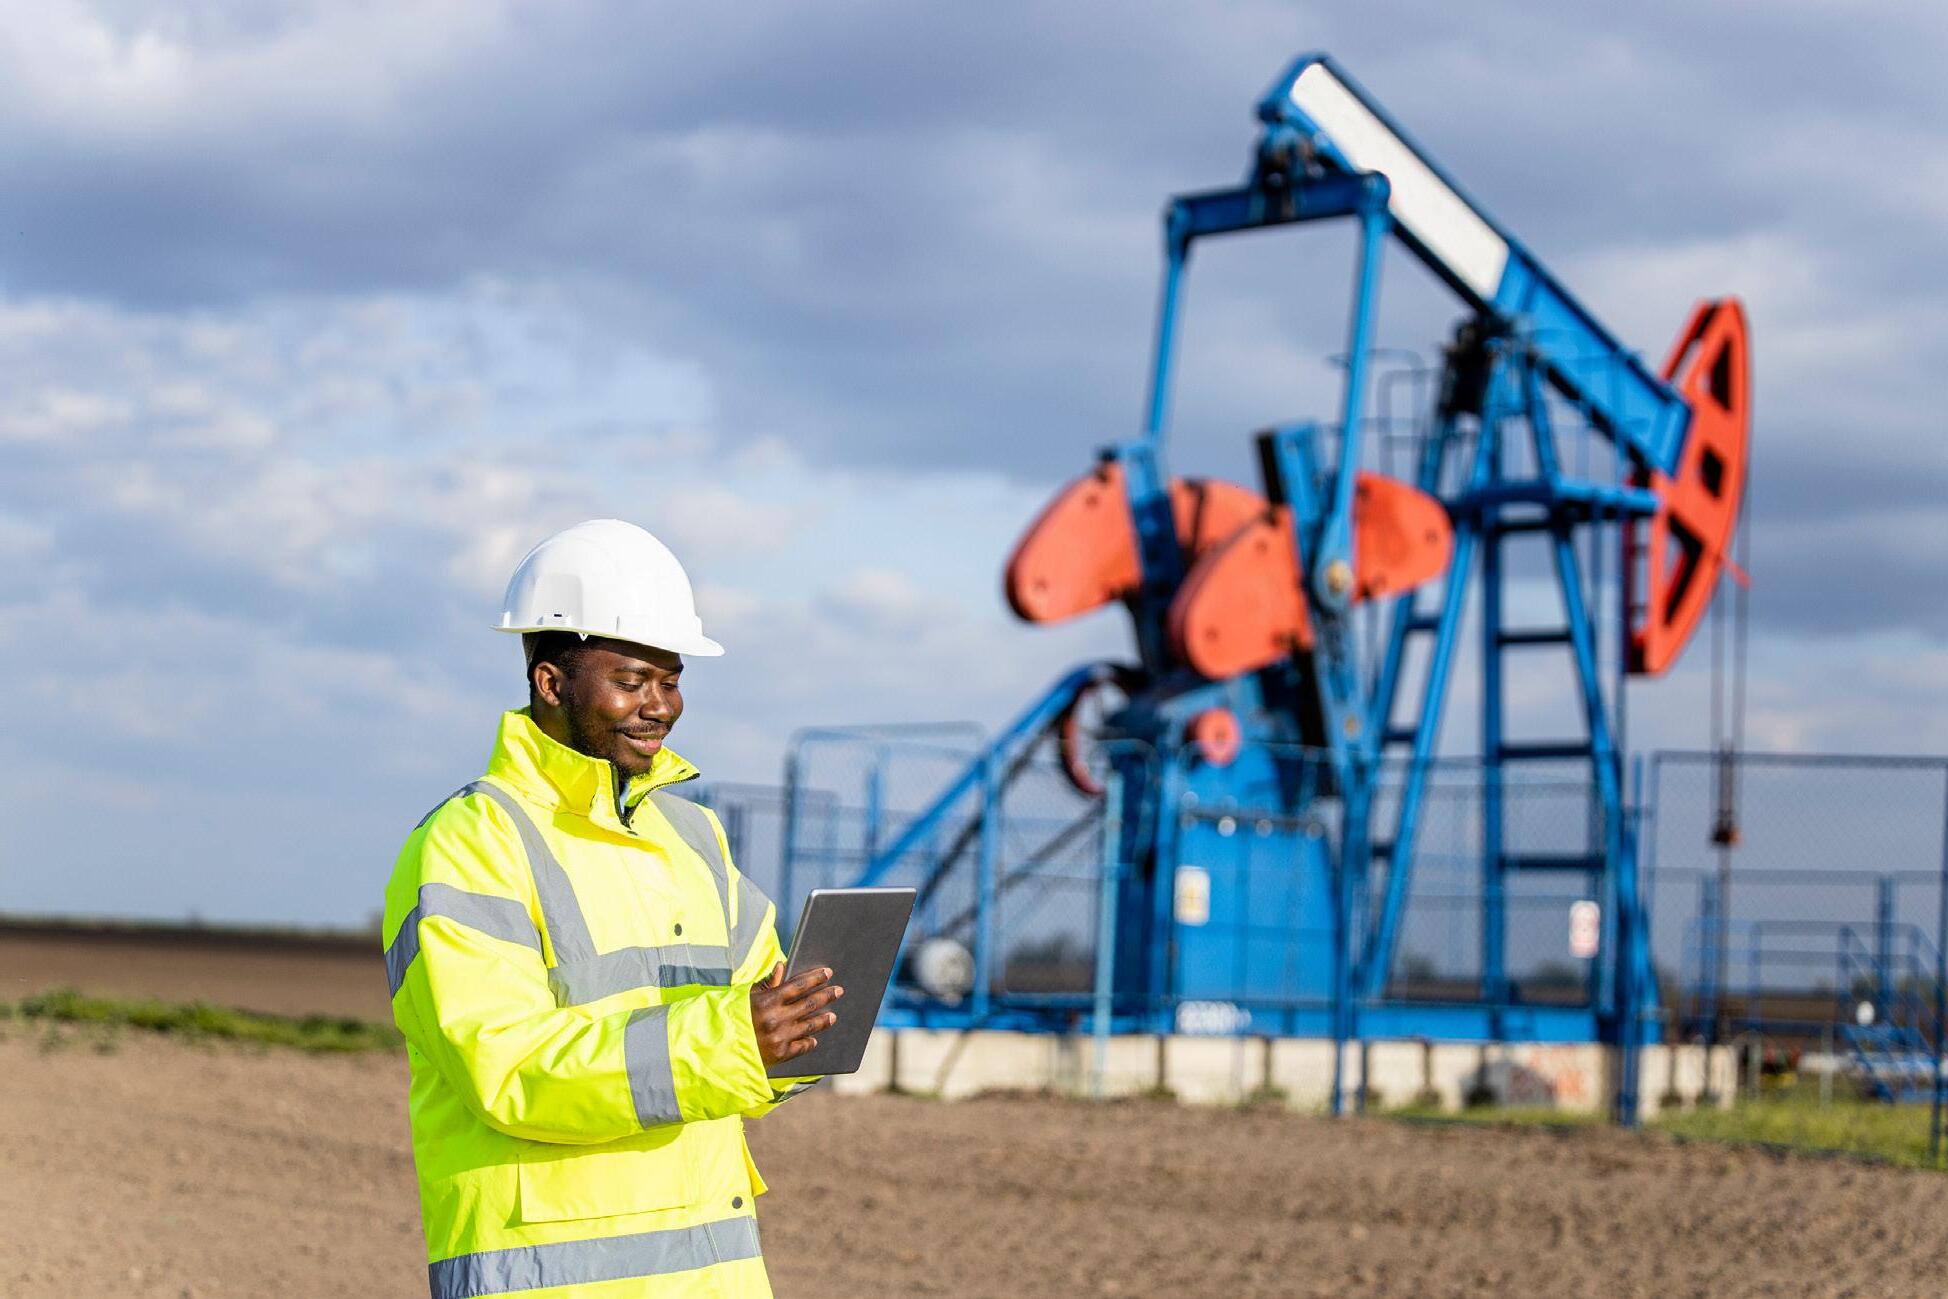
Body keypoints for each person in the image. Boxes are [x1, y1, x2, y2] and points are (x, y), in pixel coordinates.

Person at [382, 518, 839, 1298]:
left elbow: (759, 1027)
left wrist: (806, 1026)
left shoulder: (692, 837)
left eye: (672, 679)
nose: (660, 706)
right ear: (551, 683)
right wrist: (735, 1039)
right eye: (633, 680)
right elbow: (508, 1067)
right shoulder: (470, 840)